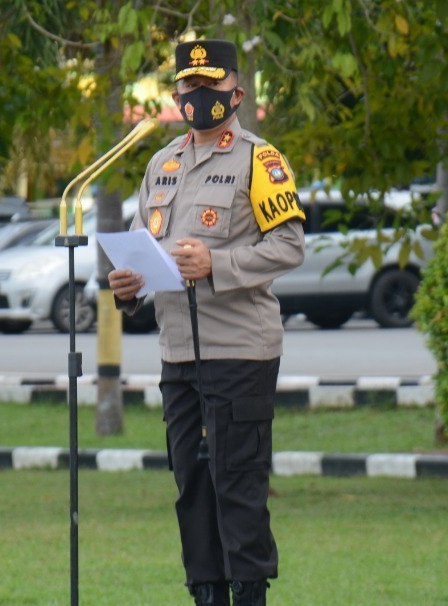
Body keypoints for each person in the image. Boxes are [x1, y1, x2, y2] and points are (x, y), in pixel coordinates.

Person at [108, 38, 306, 606]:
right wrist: (128, 287)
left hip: (240, 350)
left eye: (211, 86)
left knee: (236, 484)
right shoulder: (161, 163)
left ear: (236, 92)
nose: (199, 96)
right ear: (176, 95)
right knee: (191, 486)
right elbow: (145, 250)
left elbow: (289, 246)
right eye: (189, 87)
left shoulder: (258, 159)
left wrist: (216, 263)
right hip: (178, 353)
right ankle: (206, 594)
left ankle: (248, 595)